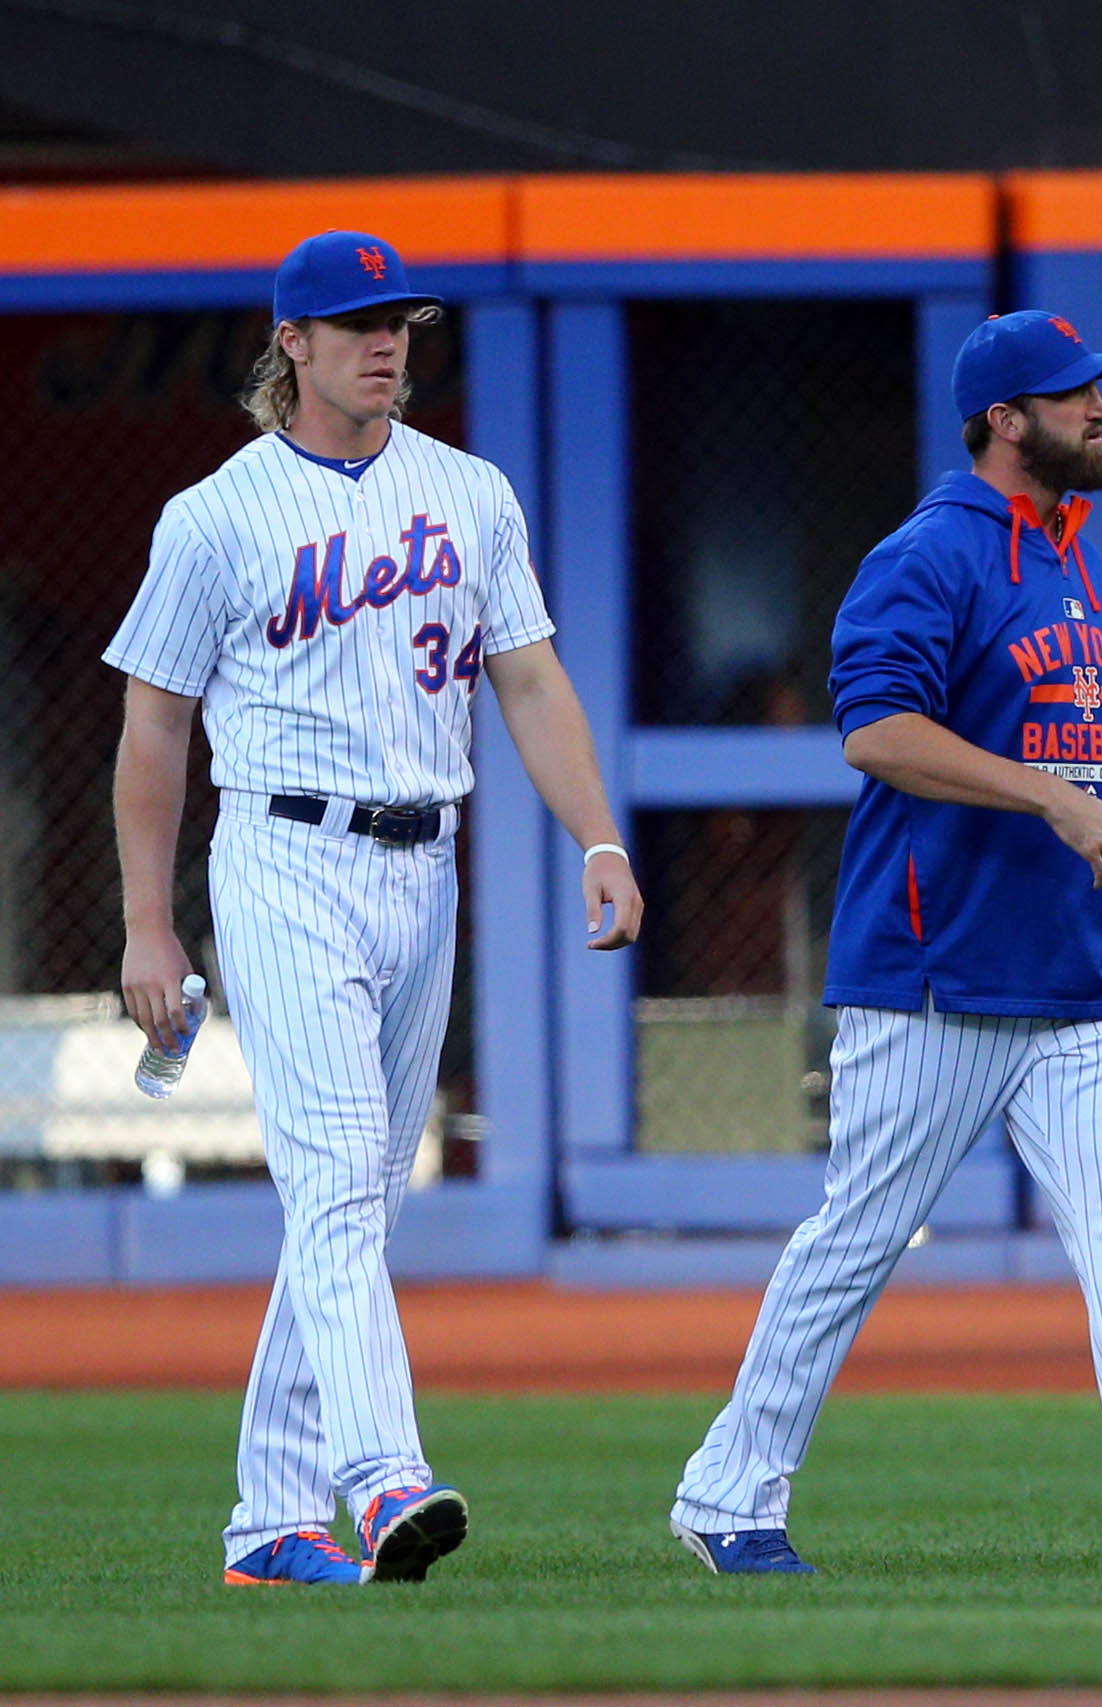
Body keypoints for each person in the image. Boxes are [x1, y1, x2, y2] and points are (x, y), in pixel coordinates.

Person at [668, 310, 1102, 1576]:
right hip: (935, 973)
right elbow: (876, 733)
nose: (1098, 408)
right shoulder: (931, 553)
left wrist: (1065, 807)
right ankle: (726, 1495)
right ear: (1004, 419)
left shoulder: (1071, 554)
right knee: (855, 1241)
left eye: (1098, 389)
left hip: (1081, 973)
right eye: (1072, 395)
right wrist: (1049, 794)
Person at [108, 230, 643, 1586]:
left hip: (425, 867)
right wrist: (147, 920)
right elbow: (155, 722)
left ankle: (269, 1523)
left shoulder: (469, 493)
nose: (387, 340)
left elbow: (527, 677)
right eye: (355, 322)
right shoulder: (216, 515)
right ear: (290, 344)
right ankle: (381, 1473)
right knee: (342, 1180)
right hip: (283, 860)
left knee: (354, 1202)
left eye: (400, 318)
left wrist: (598, 834)